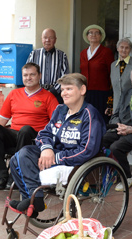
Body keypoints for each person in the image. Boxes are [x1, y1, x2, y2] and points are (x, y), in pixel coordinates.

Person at [8, 73, 105, 216]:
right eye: (62, 89)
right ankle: (34, 200)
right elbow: (44, 134)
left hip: (72, 161)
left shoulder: (90, 115)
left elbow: (87, 150)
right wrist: (46, 149)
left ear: (82, 90)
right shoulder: (60, 110)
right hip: (53, 154)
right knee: (19, 156)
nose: (64, 93)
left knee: (22, 159)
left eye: (69, 89)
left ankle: (34, 201)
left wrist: (56, 157)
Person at [0, 63, 59, 190]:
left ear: (39, 76)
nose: (28, 78)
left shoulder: (48, 97)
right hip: (14, 134)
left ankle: (15, 176)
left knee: (25, 130)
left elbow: (56, 124)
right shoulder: (13, 94)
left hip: (34, 137)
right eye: (25, 75)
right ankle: (0, 178)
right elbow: (2, 120)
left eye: (32, 75)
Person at [103, 67, 132, 191]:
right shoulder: (126, 93)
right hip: (120, 129)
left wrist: (131, 129)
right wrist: (118, 125)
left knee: (116, 147)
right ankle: (112, 172)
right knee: (102, 140)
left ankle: (127, 177)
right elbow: (115, 114)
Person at [80, 24, 114, 121]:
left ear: (101, 36)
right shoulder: (83, 53)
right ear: (87, 36)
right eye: (91, 33)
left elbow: (111, 73)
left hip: (101, 93)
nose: (93, 35)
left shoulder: (106, 52)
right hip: (85, 92)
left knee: (99, 119)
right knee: (86, 118)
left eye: (96, 33)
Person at [27, 28, 70, 103]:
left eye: (51, 38)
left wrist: (53, 91)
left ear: (55, 40)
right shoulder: (33, 54)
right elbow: (27, 74)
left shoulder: (62, 55)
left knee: (55, 114)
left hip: (56, 94)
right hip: (37, 93)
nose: (47, 40)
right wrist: (36, 89)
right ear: (41, 39)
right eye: (45, 37)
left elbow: (65, 77)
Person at [108, 38, 132, 116]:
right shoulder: (113, 65)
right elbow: (112, 88)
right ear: (117, 48)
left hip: (131, 106)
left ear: (130, 50)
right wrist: (110, 106)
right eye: (122, 47)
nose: (124, 50)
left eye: (127, 48)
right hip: (116, 107)